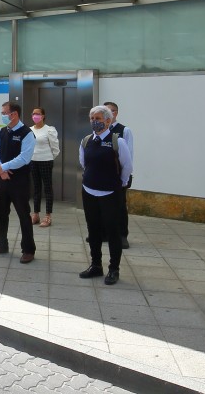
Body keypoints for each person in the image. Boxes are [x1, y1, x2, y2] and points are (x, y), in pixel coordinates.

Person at [78, 105, 132, 286]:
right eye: (92, 118)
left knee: (112, 231)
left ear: (108, 121)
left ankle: (113, 269)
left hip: (110, 193)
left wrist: (120, 184)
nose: (95, 121)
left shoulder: (118, 141)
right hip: (89, 191)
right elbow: (83, 163)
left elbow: (127, 167)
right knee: (93, 230)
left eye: (99, 118)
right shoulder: (86, 141)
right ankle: (96, 265)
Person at [0, 102, 36, 263]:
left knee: (23, 215)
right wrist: (1, 170)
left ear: (13, 114)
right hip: (2, 180)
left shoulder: (27, 133)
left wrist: (3, 167)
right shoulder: (3, 131)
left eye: (4, 112)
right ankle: (0, 244)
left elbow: (24, 158)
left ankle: (28, 249)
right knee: (1, 213)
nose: (2, 115)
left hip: (19, 181)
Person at [104, 101, 134, 248]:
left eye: (112, 111)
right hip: (102, 175)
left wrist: (125, 177)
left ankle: (122, 235)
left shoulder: (124, 130)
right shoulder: (99, 131)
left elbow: (129, 156)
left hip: (119, 175)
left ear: (116, 113)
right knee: (102, 205)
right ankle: (104, 233)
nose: (110, 114)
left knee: (120, 206)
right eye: (106, 111)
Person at [30, 107, 60, 227]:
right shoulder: (30, 130)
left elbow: (55, 148)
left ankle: (48, 216)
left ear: (43, 116)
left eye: (38, 114)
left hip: (46, 161)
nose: (35, 116)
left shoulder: (49, 130)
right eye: (33, 114)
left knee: (47, 188)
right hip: (33, 161)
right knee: (36, 188)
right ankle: (36, 214)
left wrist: (49, 157)